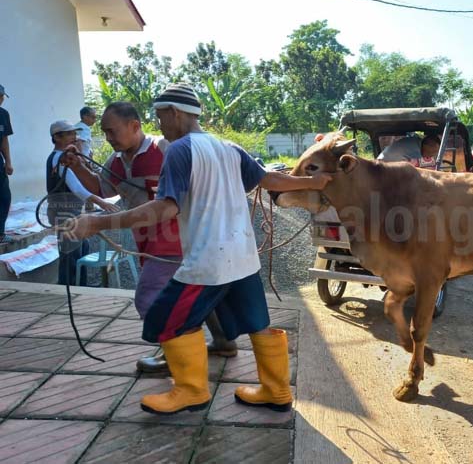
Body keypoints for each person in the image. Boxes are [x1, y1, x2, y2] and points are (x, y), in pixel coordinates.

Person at [63, 83, 332, 415]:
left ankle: (191, 390)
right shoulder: (230, 148)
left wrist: (97, 223)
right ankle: (276, 390)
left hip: (208, 261)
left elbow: (164, 209)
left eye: (161, 117)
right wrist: (313, 183)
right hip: (243, 257)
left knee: (163, 318)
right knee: (257, 323)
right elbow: (269, 180)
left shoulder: (178, 150)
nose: (159, 125)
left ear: (175, 113)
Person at [62, 101, 238, 372]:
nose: (108, 138)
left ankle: (180, 358)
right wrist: (76, 167)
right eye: (105, 132)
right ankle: (223, 341)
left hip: (178, 238)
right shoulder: (116, 162)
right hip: (151, 240)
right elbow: (104, 189)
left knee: (151, 298)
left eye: (112, 131)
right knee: (196, 291)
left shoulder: (166, 149)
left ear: (134, 126)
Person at [46, 120, 117, 285]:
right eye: (69, 134)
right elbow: (77, 188)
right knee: (70, 254)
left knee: (81, 249)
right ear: (57, 137)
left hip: (73, 211)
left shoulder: (69, 157)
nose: (74, 137)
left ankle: (80, 285)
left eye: (74, 133)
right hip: (65, 212)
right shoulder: (59, 159)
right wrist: (102, 202)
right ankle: (69, 289)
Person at [0, 85, 14, 244]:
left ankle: (0, 233)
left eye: (2, 96)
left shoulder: (3, 114)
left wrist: (8, 162)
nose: (2, 99)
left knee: (4, 196)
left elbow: (4, 140)